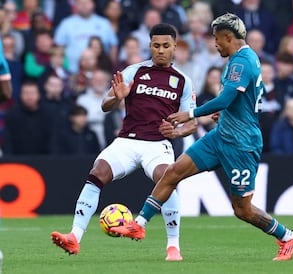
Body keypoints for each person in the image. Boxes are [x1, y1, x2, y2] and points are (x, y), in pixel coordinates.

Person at [111, 13, 293, 261]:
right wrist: (226, 113)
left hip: (242, 144)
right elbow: (244, 98)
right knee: (173, 172)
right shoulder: (240, 60)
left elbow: (225, 98)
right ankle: (139, 223)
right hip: (221, 135)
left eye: (216, 39)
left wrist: (190, 114)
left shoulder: (241, 62)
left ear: (227, 36)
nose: (215, 44)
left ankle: (288, 236)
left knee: (242, 210)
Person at [51, 23, 198, 261]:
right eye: (156, 45)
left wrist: (177, 132)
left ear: (174, 47)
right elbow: (105, 105)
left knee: (166, 177)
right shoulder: (134, 71)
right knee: (97, 172)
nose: (161, 50)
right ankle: (74, 237)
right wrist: (117, 98)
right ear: (150, 45)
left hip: (157, 145)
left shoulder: (183, 81)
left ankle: (173, 247)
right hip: (127, 141)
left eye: (166, 46)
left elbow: (192, 122)